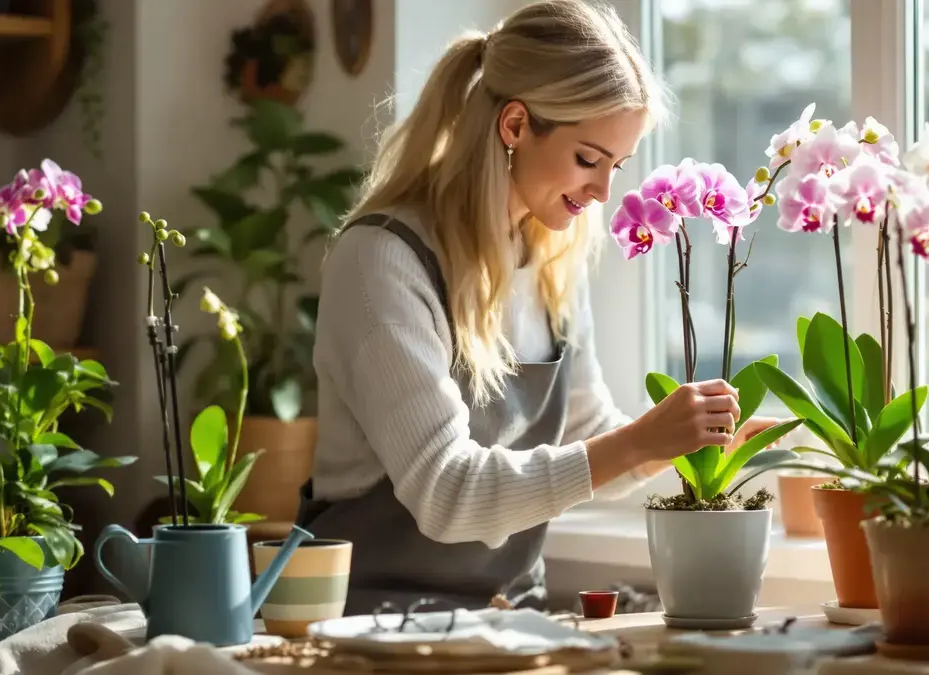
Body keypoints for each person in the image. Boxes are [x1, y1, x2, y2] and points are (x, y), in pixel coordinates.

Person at [297, 0, 777, 616]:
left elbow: (588, 436)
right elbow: (446, 493)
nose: (605, 191)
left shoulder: (550, 260)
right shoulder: (382, 262)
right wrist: (637, 442)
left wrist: (682, 442)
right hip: (370, 627)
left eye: (617, 165)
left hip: (506, 620)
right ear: (516, 125)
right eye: (588, 159)